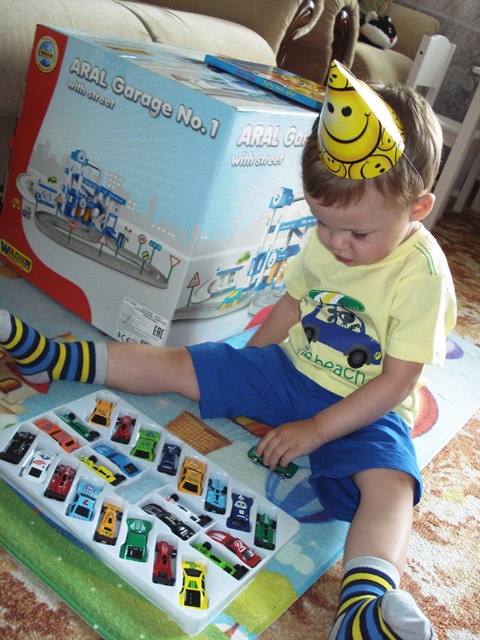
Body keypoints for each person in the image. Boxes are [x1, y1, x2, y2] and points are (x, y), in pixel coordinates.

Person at [0, 62, 456, 639]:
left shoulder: (423, 274)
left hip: (368, 405)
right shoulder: (330, 240)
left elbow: (396, 381)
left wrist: (317, 430)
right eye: (322, 224)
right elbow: (291, 307)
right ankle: (58, 358)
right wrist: (244, 368)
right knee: (185, 363)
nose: (336, 244)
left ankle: (364, 606)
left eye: (358, 234)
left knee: (392, 485)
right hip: (292, 370)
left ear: (417, 209)